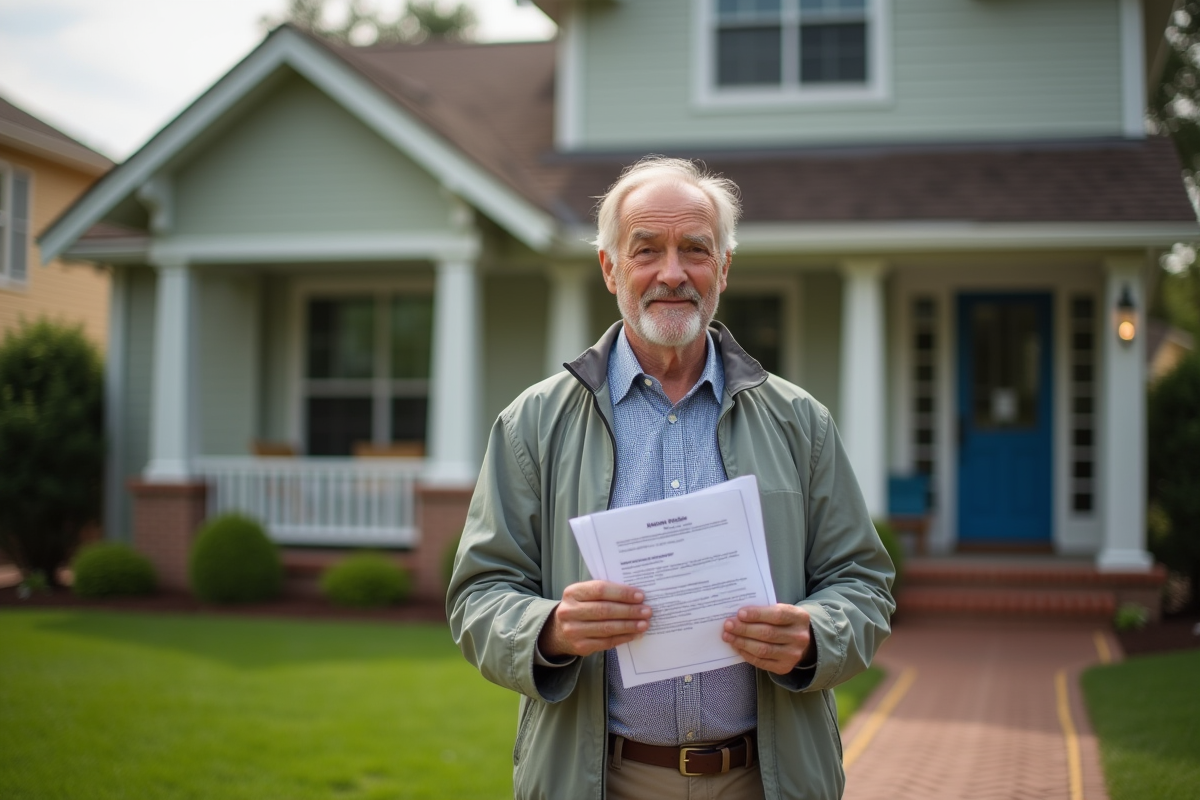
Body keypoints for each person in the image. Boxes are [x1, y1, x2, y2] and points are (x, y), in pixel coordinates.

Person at [447, 157, 895, 800]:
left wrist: (814, 636)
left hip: (764, 779)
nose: (673, 273)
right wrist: (548, 629)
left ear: (724, 268)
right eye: (647, 250)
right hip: (601, 779)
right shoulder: (532, 425)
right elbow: (478, 594)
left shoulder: (801, 423)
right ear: (610, 268)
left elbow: (864, 581)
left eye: (695, 250)